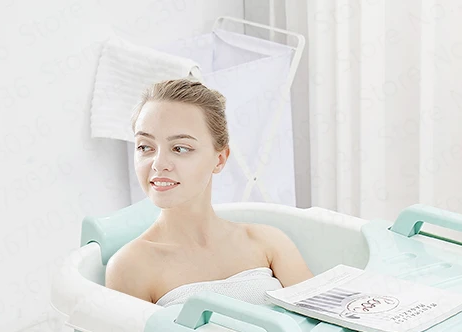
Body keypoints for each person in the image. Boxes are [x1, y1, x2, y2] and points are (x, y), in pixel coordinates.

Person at [105, 79, 313, 306]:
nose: (158, 164)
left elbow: (322, 320)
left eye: (180, 148)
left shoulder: (267, 242)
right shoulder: (130, 267)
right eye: (145, 147)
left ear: (220, 159)